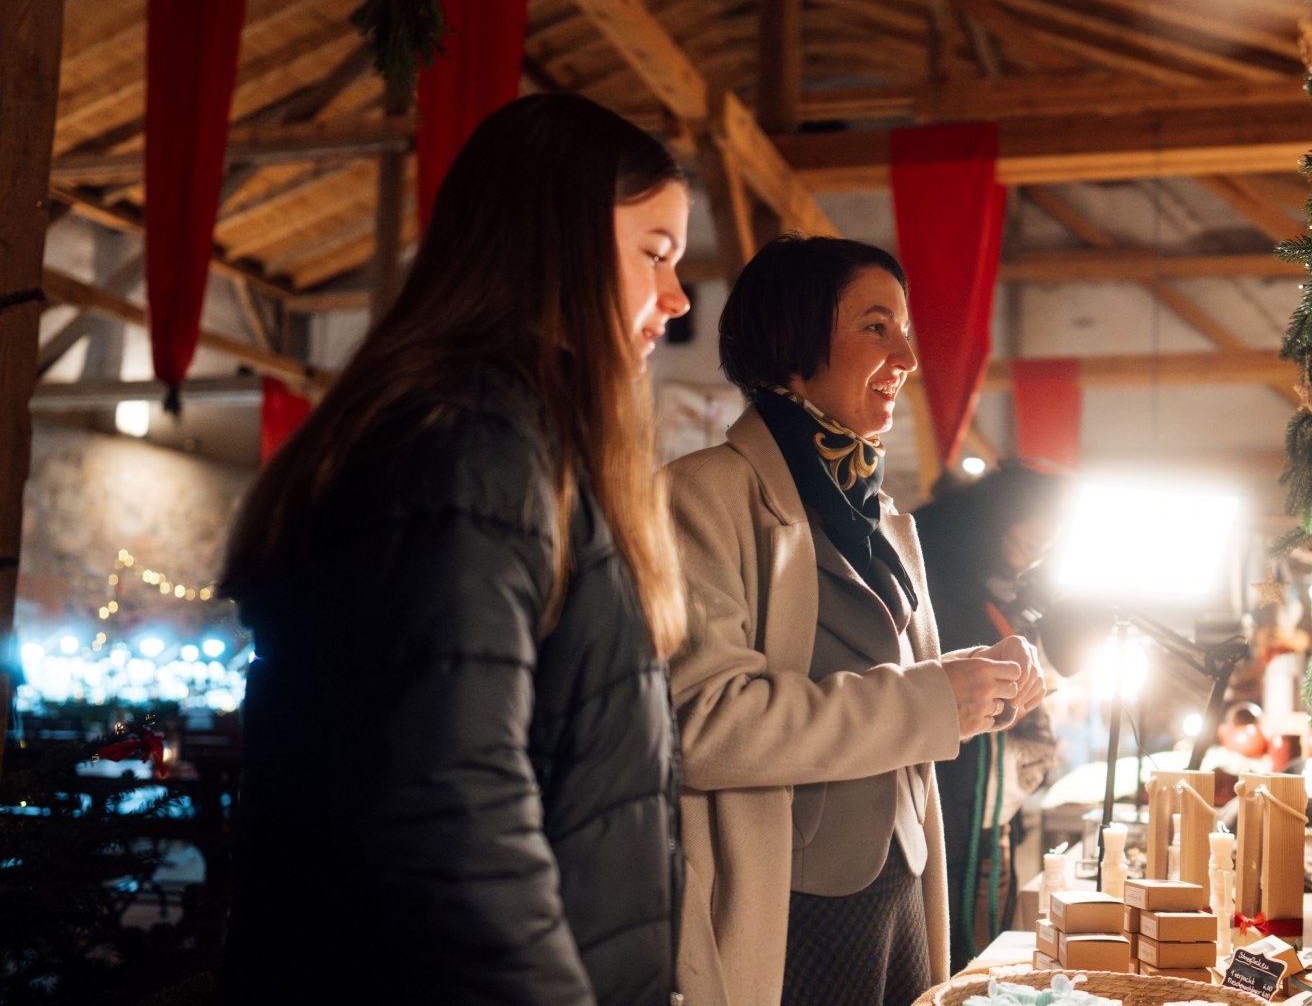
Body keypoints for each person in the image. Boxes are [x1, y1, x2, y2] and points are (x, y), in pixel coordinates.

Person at [218, 94, 689, 1004]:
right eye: (654, 253)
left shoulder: (531, 437)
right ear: (554, 240)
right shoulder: (469, 440)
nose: (673, 297)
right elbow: (453, 804)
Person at [668, 236, 1046, 1006]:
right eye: (877, 326)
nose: (906, 355)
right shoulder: (701, 496)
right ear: (795, 337)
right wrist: (935, 700)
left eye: (904, 329)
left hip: (903, 892)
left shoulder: (886, 519)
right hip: (792, 909)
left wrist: (979, 678)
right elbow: (703, 725)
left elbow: (894, 686)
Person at [913, 464, 1071, 968]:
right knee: (961, 955)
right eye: (1030, 541)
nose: (1038, 554)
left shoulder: (1002, 587)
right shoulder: (942, 583)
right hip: (951, 805)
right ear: (996, 523)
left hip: (988, 812)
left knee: (981, 945)